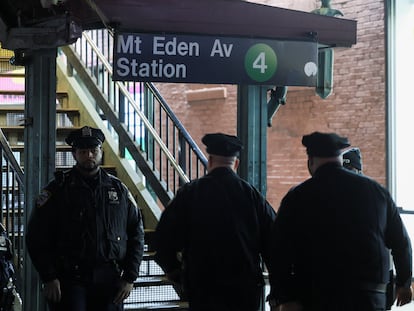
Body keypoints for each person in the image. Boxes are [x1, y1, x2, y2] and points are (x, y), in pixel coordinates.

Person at [268, 131, 412, 311]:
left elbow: (278, 251)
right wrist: (403, 283)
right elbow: (401, 242)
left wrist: (285, 297)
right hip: (369, 299)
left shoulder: (297, 197)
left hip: (317, 298)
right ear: (339, 157)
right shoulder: (377, 192)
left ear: (310, 161)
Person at [26, 125, 145, 311]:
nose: (89, 155)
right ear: (74, 155)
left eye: (93, 150)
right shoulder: (57, 190)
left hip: (110, 279)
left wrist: (130, 277)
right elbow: (36, 236)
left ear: (101, 152)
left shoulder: (118, 190)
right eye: (83, 151)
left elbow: (136, 233)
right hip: (69, 280)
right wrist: (49, 276)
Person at [153, 132, 277, 311]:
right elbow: (275, 241)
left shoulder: (189, 194)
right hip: (245, 289)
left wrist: (176, 272)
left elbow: (163, 238)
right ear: (236, 163)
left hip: (204, 287)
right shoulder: (252, 196)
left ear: (209, 161)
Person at [342, 147, 396, 310]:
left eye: (350, 170)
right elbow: (400, 242)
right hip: (370, 287)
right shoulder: (378, 196)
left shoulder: (379, 197)